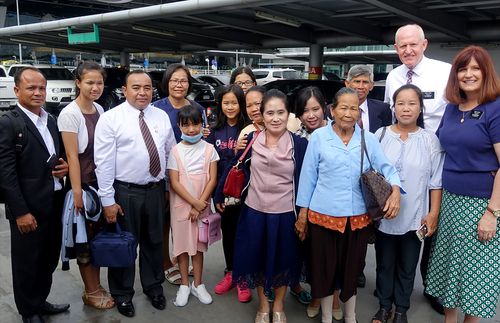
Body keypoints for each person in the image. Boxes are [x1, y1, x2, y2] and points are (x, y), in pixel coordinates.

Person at [296, 87, 401, 323]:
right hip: (322, 217)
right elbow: (308, 177)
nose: (348, 113)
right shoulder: (319, 137)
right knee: (324, 272)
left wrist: (395, 190)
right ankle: (326, 316)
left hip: (357, 219)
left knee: (351, 271)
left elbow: (387, 169)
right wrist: (303, 213)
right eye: (343, 107)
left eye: (354, 108)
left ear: (359, 113)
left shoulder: (368, 139)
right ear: (332, 110)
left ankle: (350, 316)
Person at [216, 89, 308, 323]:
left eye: (280, 112)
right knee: (256, 259)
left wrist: (303, 215)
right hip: (254, 212)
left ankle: (278, 304)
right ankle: (263, 305)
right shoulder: (250, 140)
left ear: (288, 115)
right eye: (270, 113)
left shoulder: (299, 144)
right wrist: (219, 195)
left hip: (286, 214)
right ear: (261, 115)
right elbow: (235, 168)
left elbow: (307, 181)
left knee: (283, 260)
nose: (275, 118)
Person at [425, 45, 500, 323]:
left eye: (475, 68)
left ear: (485, 72)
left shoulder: (495, 108)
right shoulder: (451, 109)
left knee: (475, 278)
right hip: (451, 202)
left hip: (482, 205)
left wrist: (492, 213)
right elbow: (439, 149)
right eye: (462, 69)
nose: (468, 74)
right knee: (448, 271)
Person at [94, 70, 176, 318]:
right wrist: (107, 200)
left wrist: (170, 188)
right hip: (125, 192)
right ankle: (122, 293)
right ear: (125, 90)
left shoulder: (160, 116)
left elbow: (170, 152)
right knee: (124, 244)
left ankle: (153, 287)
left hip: (155, 190)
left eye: (147, 88)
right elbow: (104, 162)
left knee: (154, 242)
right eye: (136, 87)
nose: (142, 92)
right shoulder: (111, 119)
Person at [384, 23, 450, 313]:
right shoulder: (393, 76)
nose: (408, 50)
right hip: (401, 154)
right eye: (402, 46)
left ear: (425, 44)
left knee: (428, 230)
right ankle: (389, 296)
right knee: (394, 241)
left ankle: (431, 289)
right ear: (396, 49)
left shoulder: (444, 72)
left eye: (413, 44)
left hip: (437, 157)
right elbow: (390, 113)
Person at [0, 67, 70, 323]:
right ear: (17, 90)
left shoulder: (50, 120)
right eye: (31, 88)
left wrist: (64, 168)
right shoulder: (8, 123)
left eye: (42, 87)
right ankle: (28, 311)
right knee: (26, 263)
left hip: (53, 202)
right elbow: (5, 174)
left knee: (48, 258)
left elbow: (51, 157)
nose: (38, 92)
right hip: (27, 208)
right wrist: (20, 212)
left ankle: (40, 300)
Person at [372, 84, 444, 323]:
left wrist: (433, 213)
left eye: (412, 103)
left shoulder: (430, 140)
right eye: (400, 103)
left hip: (415, 217)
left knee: (407, 266)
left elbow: (436, 182)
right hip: (385, 217)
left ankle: (401, 309)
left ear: (420, 108)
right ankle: (384, 307)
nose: (406, 108)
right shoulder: (380, 136)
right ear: (393, 106)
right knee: (384, 264)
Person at [57, 61, 114, 310]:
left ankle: (97, 286)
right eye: (89, 82)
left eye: (99, 82)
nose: (95, 87)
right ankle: (90, 290)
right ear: (78, 83)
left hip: (100, 185)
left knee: (98, 239)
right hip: (83, 187)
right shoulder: (69, 114)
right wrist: (77, 192)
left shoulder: (100, 110)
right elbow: (72, 157)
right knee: (84, 240)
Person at [153, 63, 207, 285]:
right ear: (167, 82)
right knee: (167, 220)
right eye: (174, 80)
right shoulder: (156, 108)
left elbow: (204, 139)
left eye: (183, 80)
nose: (178, 84)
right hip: (166, 176)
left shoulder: (197, 108)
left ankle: (185, 257)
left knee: (190, 221)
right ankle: (167, 262)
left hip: (194, 176)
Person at [168, 105, 219, 307]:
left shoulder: (210, 150)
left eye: (195, 124)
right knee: (181, 246)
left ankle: (198, 284)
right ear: (179, 126)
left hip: (202, 205)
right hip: (181, 205)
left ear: (202, 125)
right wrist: (194, 202)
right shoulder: (175, 151)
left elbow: (213, 179)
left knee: (198, 247)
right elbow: (175, 182)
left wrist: (200, 205)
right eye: (186, 125)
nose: (191, 130)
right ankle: (184, 284)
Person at [206, 84, 252, 302]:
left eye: (234, 102)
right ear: (220, 104)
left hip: (246, 193)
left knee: (246, 235)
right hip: (223, 193)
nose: (230, 106)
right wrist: (215, 195)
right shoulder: (214, 131)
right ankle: (231, 272)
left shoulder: (249, 128)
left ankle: (244, 277)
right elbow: (210, 165)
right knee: (229, 233)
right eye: (226, 102)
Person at [345, 64, 392, 134]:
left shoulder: (383, 109)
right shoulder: (334, 109)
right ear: (347, 84)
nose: (360, 86)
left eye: (365, 82)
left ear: (371, 86)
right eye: (357, 82)